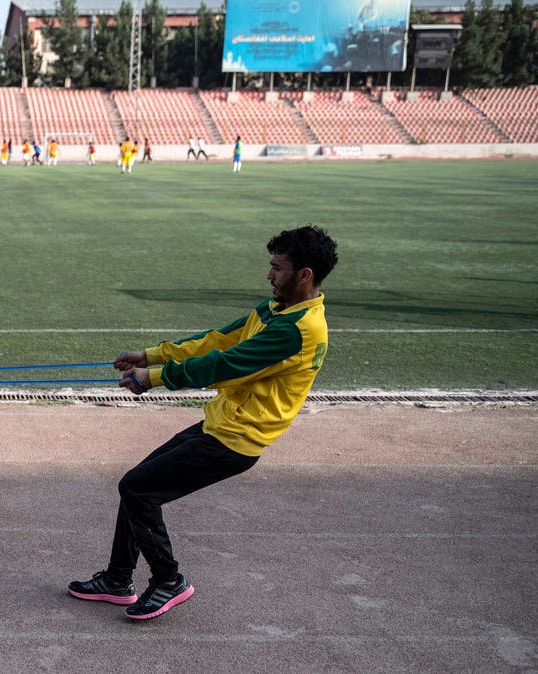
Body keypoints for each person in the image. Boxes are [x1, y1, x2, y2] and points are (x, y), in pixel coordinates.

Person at [67, 225, 338, 621]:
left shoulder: (297, 330)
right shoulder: (275, 311)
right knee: (137, 484)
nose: (269, 276)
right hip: (220, 424)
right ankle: (118, 579)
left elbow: (224, 364)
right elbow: (217, 340)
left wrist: (155, 378)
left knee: (138, 491)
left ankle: (168, 581)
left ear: (305, 275)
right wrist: (151, 355)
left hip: (236, 441)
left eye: (277, 268)